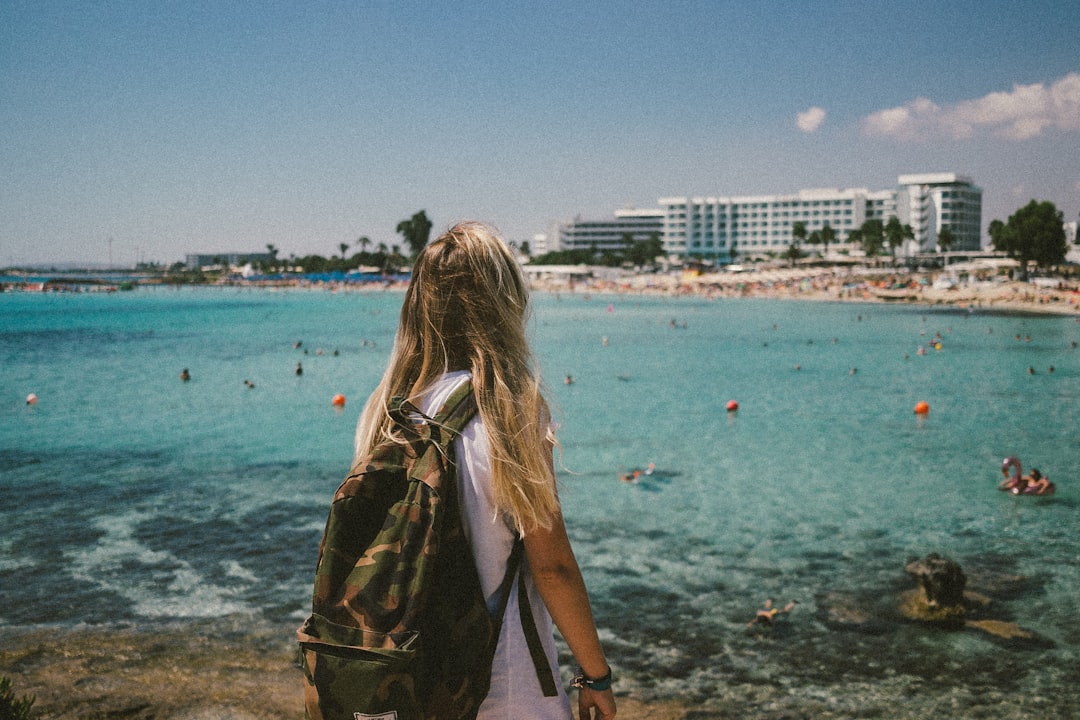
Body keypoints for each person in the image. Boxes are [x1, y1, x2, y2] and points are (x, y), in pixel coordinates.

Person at [353, 222, 616, 720]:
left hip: (406, 674)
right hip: (501, 683)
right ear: (503, 301)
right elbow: (551, 565)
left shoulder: (387, 410)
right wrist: (595, 675)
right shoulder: (508, 409)